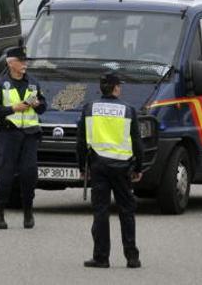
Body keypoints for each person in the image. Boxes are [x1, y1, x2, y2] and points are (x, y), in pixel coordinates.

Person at [77, 73, 144, 269]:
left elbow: (81, 141)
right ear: (116, 88)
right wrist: (138, 167)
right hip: (123, 168)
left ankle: (101, 257)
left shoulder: (89, 109)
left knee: (100, 212)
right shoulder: (128, 110)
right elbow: (137, 143)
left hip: (98, 166)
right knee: (127, 212)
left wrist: (82, 167)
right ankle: (132, 257)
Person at [0, 47, 46, 230]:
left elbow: (43, 107)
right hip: (9, 134)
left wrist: (37, 104)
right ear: (10, 63)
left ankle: (28, 212)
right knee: (6, 175)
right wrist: (12, 109)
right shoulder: (0, 83)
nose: (24, 64)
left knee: (29, 174)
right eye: (21, 61)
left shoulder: (33, 83)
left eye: (25, 61)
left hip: (30, 135)